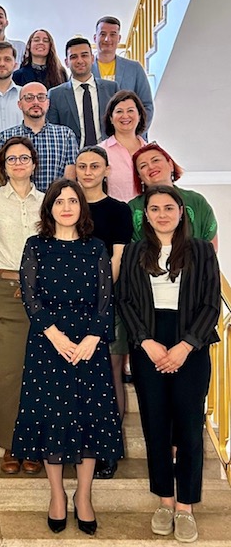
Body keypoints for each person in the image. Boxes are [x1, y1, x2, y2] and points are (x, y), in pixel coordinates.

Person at [13, 179, 123, 536]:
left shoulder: (96, 248)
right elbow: (30, 295)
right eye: (59, 201)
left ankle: (84, 495)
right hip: (48, 342)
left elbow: (106, 297)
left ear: (82, 207)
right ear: (49, 208)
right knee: (53, 417)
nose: (66, 207)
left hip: (90, 343)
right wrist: (54, 334)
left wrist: (93, 337)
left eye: (72, 201)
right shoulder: (36, 246)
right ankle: (57, 494)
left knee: (90, 416)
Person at [118, 185, 220, 543]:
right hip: (148, 341)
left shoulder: (202, 251)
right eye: (154, 209)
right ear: (146, 216)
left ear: (181, 213)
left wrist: (186, 346)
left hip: (191, 342)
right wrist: (145, 341)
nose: (162, 214)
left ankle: (185, 507)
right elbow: (125, 300)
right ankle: (164, 501)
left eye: (168, 208)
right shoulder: (134, 252)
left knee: (189, 428)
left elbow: (211, 303)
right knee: (155, 425)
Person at [0, 136, 44, 475]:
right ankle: (10, 442)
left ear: (34, 163)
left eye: (24, 158)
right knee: (5, 372)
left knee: (38, 371)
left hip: (43, 294)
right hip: (4, 290)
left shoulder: (48, 201)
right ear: (3, 166)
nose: (18, 163)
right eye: (11, 159)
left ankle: (33, 443)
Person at [75, 146, 133, 479]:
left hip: (108, 302)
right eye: (82, 166)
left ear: (107, 171)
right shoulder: (67, 206)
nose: (88, 172)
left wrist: (97, 295)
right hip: (70, 306)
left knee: (110, 374)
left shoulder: (118, 211)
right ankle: (80, 445)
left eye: (95, 166)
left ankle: (108, 449)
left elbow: (117, 258)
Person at [130, 143, 218, 247]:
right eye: (143, 166)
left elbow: (211, 245)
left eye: (155, 160)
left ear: (170, 165)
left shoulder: (196, 201)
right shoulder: (132, 208)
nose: (151, 167)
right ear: (139, 176)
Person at [0, 82, 78, 191]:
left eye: (41, 97)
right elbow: (2, 176)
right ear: (19, 104)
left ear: (48, 103)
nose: (35, 102)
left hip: (55, 200)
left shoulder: (66, 135)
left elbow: (70, 179)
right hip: (16, 200)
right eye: (29, 98)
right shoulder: (6, 137)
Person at [47, 37, 119, 147]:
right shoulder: (55, 95)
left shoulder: (111, 89)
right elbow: (53, 132)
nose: (80, 61)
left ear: (92, 58)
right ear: (66, 62)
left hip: (108, 152)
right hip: (72, 154)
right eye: (73, 57)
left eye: (84, 55)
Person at [91, 16, 154, 134]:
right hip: (97, 139)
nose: (107, 39)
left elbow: (147, 106)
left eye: (113, 34)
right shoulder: (85, 71)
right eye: (103, 34)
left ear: (119, 38)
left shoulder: (134, 69)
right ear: (95, 38)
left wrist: (134, 134)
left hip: (130, 138)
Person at [99, 90, 147, 202]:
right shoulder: (100, 152)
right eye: (119, 111)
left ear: (139, 116)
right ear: (111, 118)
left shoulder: (151, 151)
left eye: (130, 110)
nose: (125, 116)